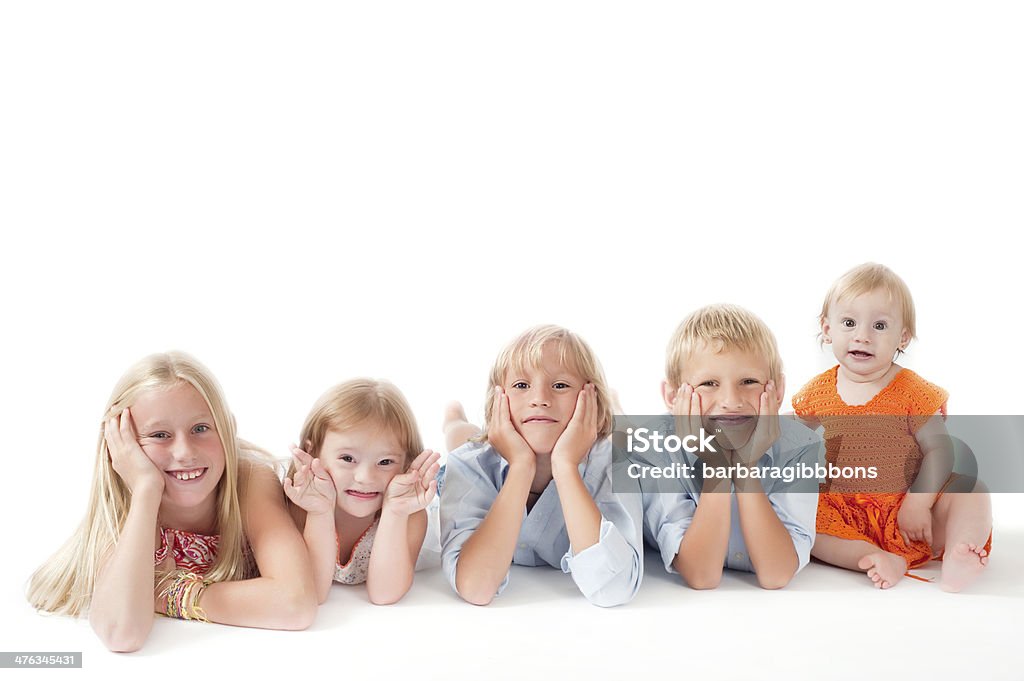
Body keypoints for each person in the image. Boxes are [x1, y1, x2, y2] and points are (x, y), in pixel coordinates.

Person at [26, 352, 317, 652]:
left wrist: (169, 595)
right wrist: (146, 491)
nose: (184, 452)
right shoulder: (129, 504)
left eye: (200, 429)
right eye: (159, 434)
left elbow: (295, 603)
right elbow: (121, 634)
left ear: (227, 429)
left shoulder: (250, 480)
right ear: (122, 447)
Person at [793, 263, 992, 591]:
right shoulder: (820, 389)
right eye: (849, 322)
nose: (863, 335)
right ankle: (872, 556)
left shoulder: (911, 390)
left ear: (903, 337)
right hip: (847, 511)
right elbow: (793, 434)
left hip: (912, 514)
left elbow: (940, 449)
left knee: (973, 491)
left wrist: (919, 502)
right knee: (804, 517)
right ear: (827, 329)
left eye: (880, 325)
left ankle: (961, 552)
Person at [440, 325, 643, 607]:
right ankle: (453, 415)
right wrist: (521, 467)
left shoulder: (615, 463)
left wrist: (566, 467)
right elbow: (476, 588)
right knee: (461, 435)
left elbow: (614, 589)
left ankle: (615, 403)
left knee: (627, 432)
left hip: (608, 438)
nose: (539, 399)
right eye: (521, 386)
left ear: (591, 401)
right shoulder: (469, 463)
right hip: (477, 445)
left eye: (560, 385)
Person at [640, 304, 821, 589]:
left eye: (748, 381)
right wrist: (717, 465)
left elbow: (777, 574)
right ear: (674, 397)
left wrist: (746, 466)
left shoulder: (800, 446)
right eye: (709, 383)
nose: (731, 400)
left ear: (778, 390)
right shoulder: (656, 447)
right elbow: (702, 575)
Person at [284, 379, 440, 605]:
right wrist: (320, 512)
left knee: (458, 443)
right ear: (313, 451)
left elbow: (384, 594)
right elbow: (313, 593)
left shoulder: (410, 515)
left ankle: (454, 422)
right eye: (347, 459)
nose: (365, 478)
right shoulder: (296, 507)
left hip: (425, 506)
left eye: (385, 461)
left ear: (406, 462)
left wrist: (395, 513)